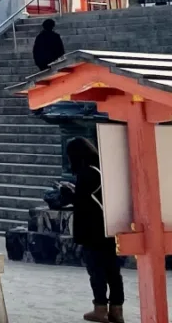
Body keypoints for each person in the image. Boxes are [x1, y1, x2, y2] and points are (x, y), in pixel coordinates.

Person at [64, 137, 123, 323]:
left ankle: (100, 308)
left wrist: (69, 193)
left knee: (96, 270)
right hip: (109, 226)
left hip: (92, 230)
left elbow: (81, 203)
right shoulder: (102, 169)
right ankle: (117, 310)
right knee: (113, 271)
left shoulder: (86, 173)